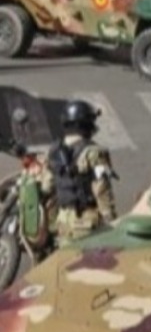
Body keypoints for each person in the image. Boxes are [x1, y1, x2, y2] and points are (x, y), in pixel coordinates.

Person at [48, 100, 117, 243]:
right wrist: (112, 223)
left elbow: (47, 186)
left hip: (62, 222)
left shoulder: (54, 151)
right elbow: (102, 190)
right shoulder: (94, 153)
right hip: (86, 224)